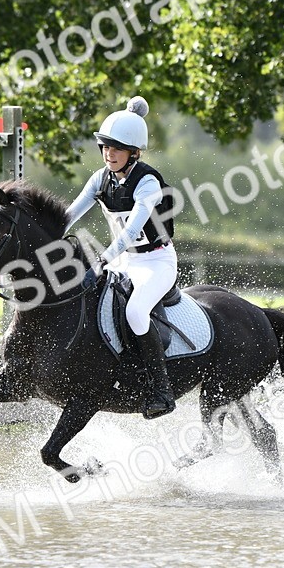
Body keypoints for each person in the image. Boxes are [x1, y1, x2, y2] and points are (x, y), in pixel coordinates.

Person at [65, 96, 178, 419]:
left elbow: (130, 232)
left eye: (116, 149)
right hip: (124, 260)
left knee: (137, 312)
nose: (109, 154)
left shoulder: (147, 182)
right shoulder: (101, 179)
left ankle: (162, 390)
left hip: (155, 262)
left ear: (134, 153)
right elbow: (71, 213)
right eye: (105, 147)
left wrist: (101, 262)